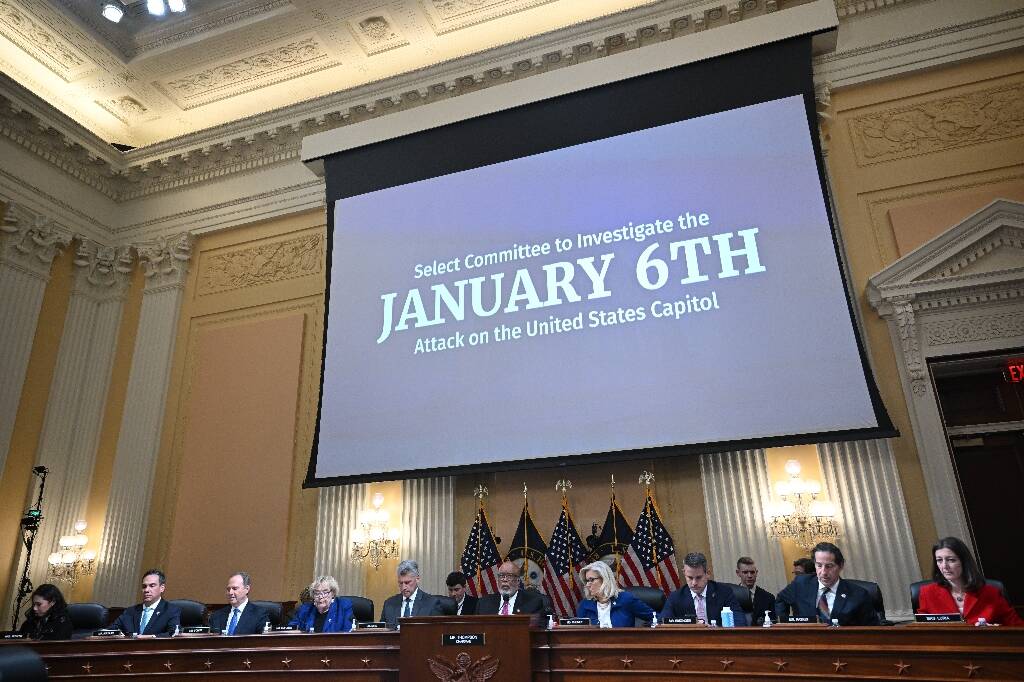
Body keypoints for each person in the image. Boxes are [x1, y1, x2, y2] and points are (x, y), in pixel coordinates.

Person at [917, 536, 1023, 626]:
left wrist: (994, 631)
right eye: (939, 560)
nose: (944, 566)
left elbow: (1017, 627)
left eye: (951, 560)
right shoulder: (927, 593)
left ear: (964, 562)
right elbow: (922, 631)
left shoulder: (990, 593)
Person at [775, 542, 879, 625]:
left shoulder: (858, 594)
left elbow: (871, 630)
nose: (823, 572)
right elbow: (781, 599)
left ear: (841, 565)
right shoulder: (801, 584)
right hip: (807, 642)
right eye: (819, 566)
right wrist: (786, 624)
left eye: (829, 566)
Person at [659, 552, 746, 626]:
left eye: (698, 577)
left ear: (708, 573)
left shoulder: (724, 592)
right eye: (690, 577)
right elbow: (661, 623)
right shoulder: (676, 597)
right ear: (684, 573)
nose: (694, 583)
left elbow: (740, 622)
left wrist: (714, 630)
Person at [576, 560, 654, 627]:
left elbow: (656, 618)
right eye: (587, 581)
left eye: (591, 580)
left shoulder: (625, 599)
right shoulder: (585, 605)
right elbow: (579, 632)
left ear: (604, 579)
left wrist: (640, 634)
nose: (588, 585)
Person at [113, 569, 182, 636]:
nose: (146, 590)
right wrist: (117, 635)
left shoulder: (171, 610)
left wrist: (151, 637)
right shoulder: (130, 611)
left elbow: (174, 633)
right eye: (144, 586)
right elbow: (111, 631)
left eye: (152, 586)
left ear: (162, 588)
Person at [381, 560, 443, 628]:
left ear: (417, 579)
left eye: (407, 582)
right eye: (400, 583)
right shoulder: (389, 604)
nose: (403, 587)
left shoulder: (431, 603)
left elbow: (437, 631)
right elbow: (381, 631)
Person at [476, 561, 546, 616]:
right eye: (501, 576)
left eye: (509, 576)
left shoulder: (534, 603)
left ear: (518, 581)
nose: (505, 579)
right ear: (497, 580)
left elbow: (537, 627)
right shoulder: (483, 604)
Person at [288, 576, 354, 632]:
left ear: (333, 594)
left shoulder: (343, 606)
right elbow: (291, 629)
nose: (320, 596)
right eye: (317, 593)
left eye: (325, 592)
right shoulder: (305, 609)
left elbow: (348, 633)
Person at [736, 556, 775, 625]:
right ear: (738, 573)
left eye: (752, 572)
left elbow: (773, 623)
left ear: (756, 573)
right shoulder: (731, 596)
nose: (749, 576)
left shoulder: (768, 598)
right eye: (745, 572)